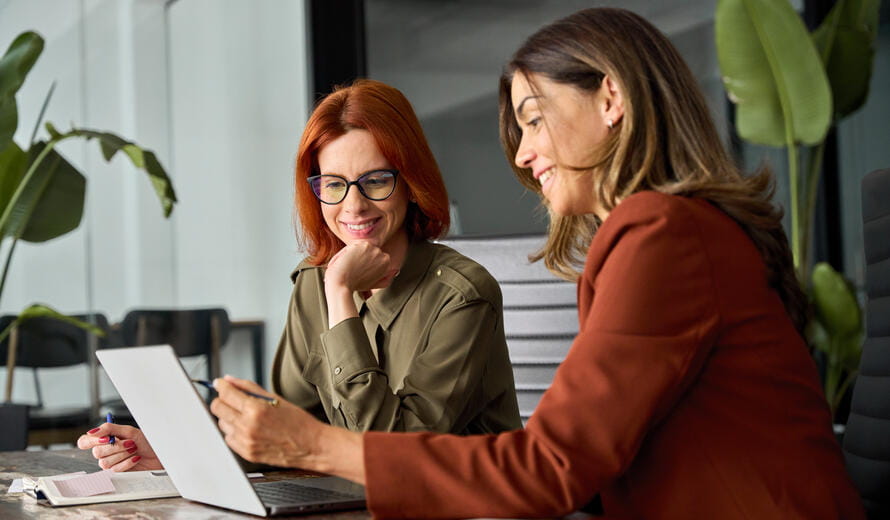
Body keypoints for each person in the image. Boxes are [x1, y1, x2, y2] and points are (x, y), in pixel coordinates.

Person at [205, 8, 865, 519]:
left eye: (534, 119)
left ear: (611, 99)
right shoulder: (669, 232)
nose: (522, 154)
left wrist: (312, 445)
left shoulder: (664, 233)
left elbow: (551, 467)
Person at [78, 79, 521, 471]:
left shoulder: (462, 295)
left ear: (410, 182)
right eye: (334, 184)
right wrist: (175, 450)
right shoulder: (313, 281)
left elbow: (392, 454)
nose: (353, 206)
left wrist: (340, 295)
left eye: (375, 181)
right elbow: (288, 428)